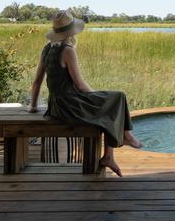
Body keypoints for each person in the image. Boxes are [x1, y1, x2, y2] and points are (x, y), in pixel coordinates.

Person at [28, 10, 141, 177]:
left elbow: (37, 81)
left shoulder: (46, 49)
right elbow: (80, 85)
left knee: (113, 100)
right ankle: (124, 139)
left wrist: (33, 106)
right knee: (117, 97)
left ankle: (112, 152)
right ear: (71, 32)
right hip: (69, 106)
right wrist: (95, 96)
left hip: (56, 106)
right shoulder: (67, 50)